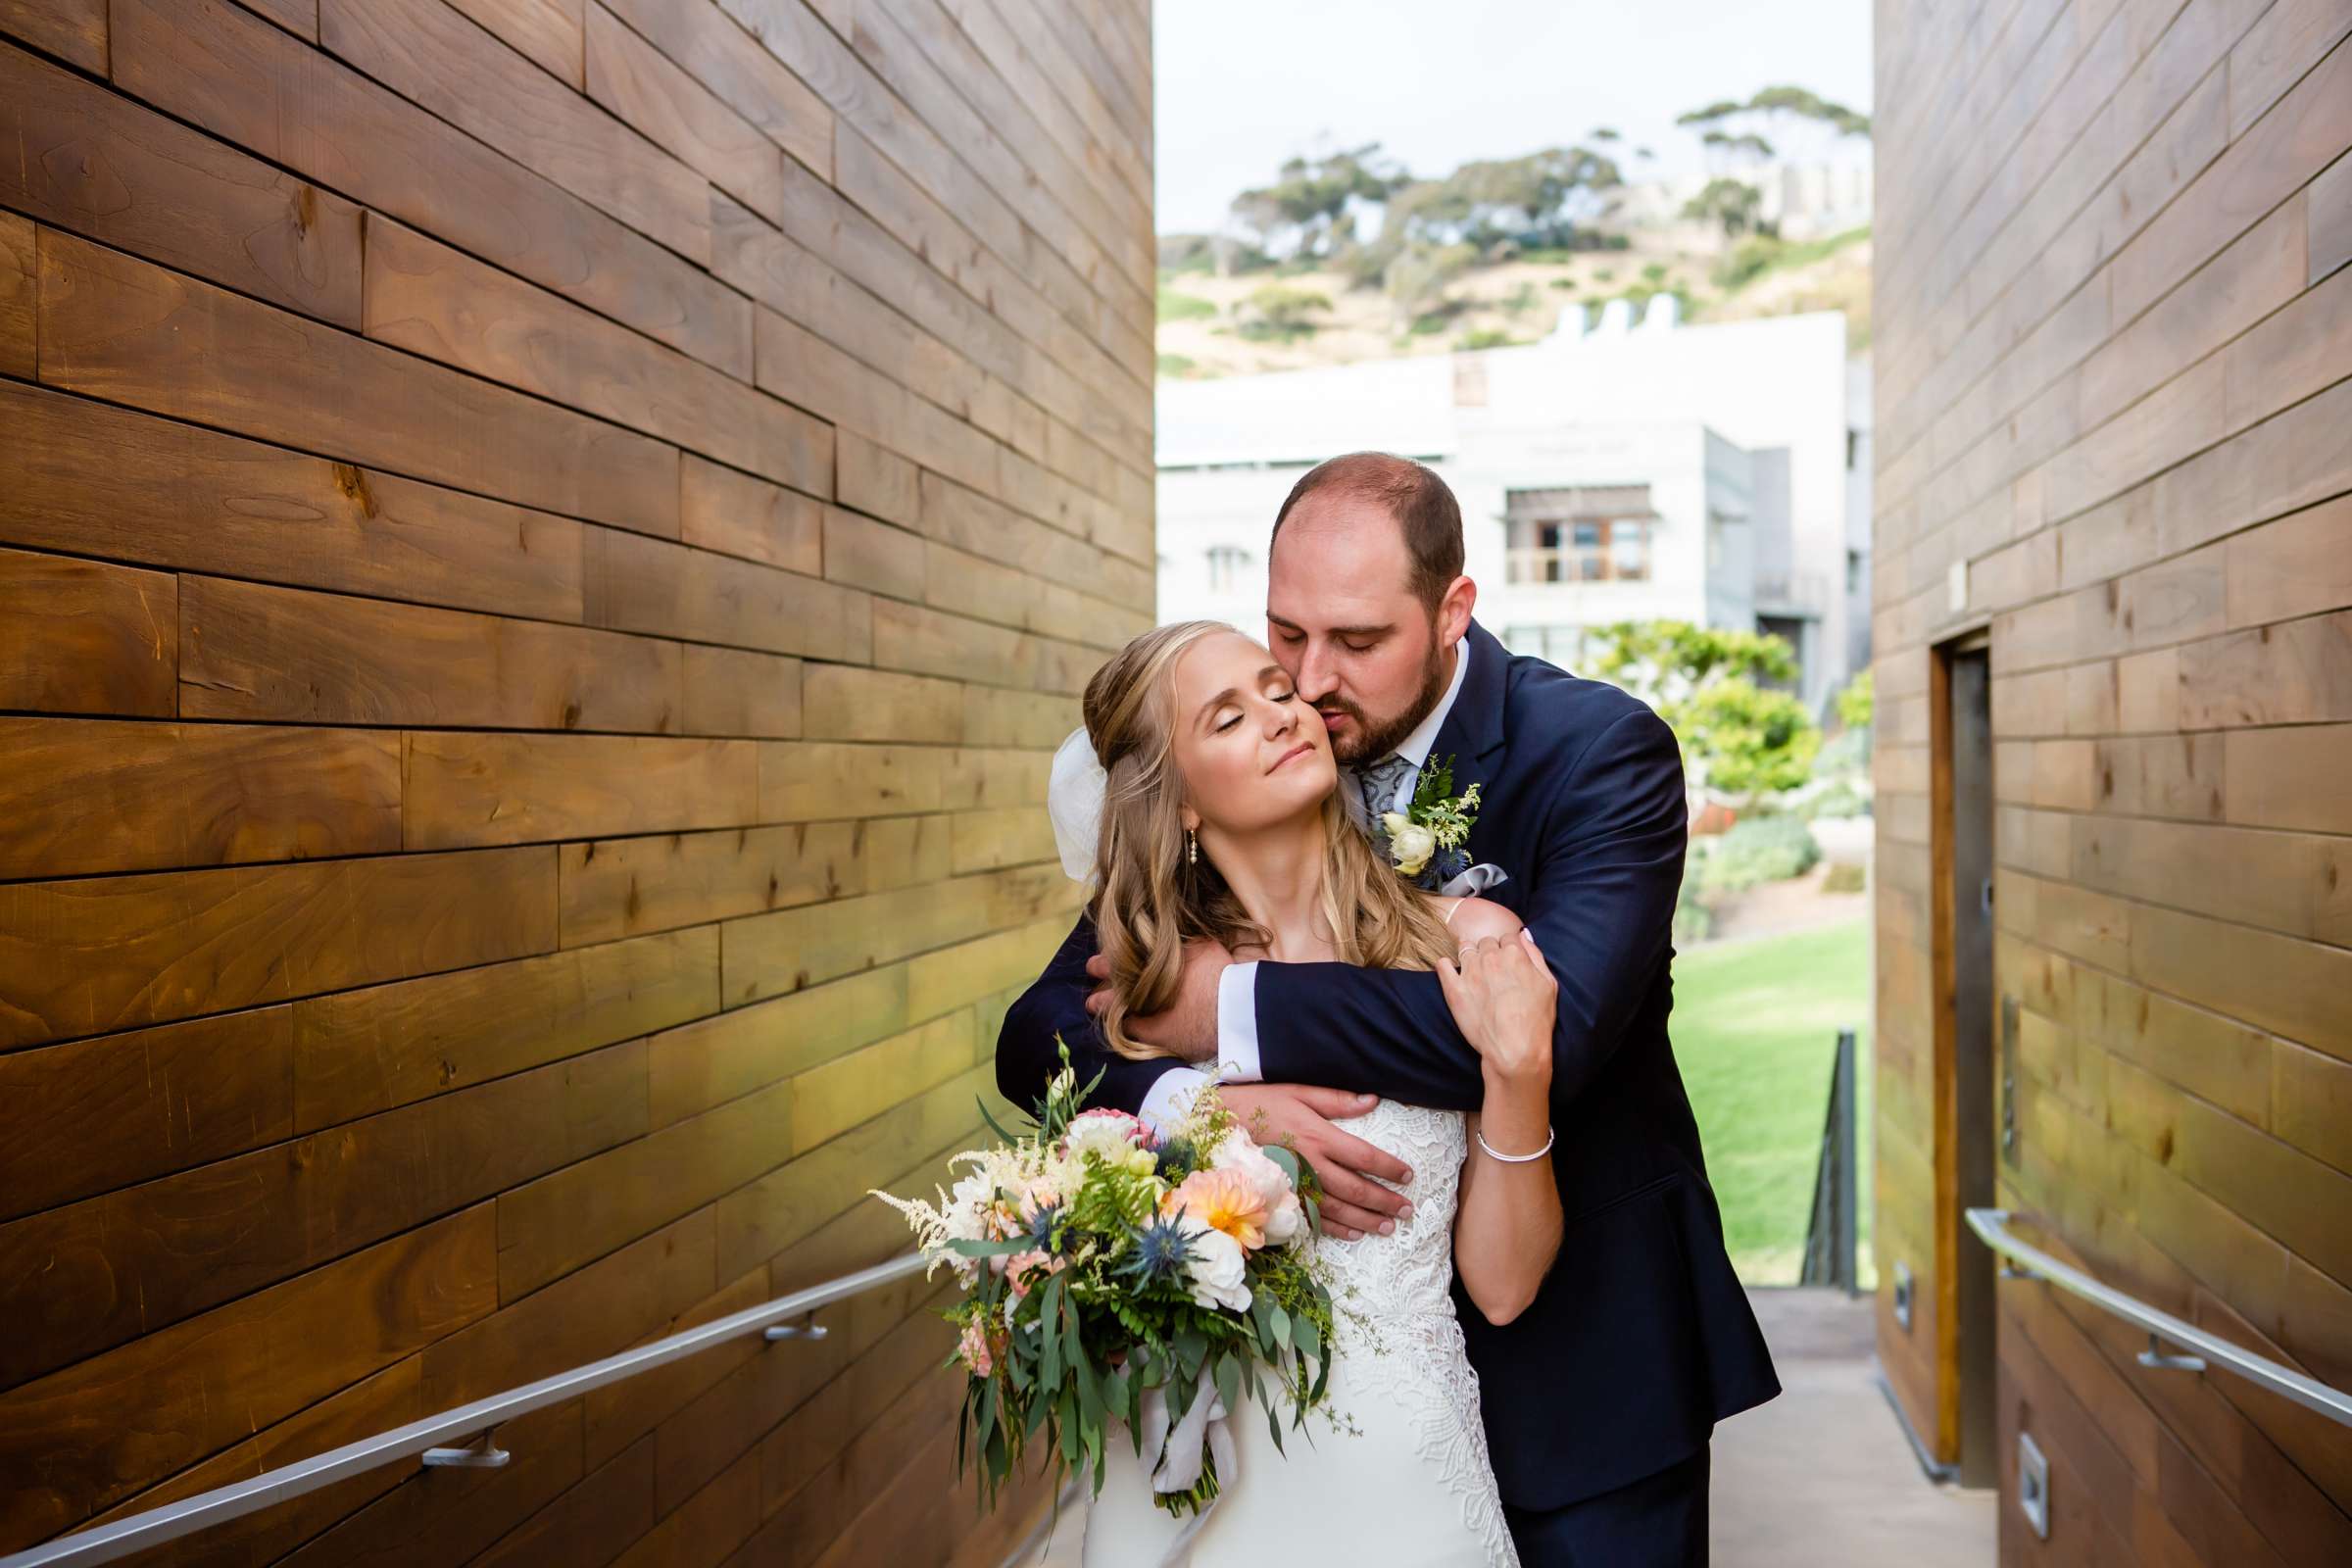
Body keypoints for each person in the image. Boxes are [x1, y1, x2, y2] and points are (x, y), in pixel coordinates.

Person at [1001, 453, 1779, 1566]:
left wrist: (1235, 1012)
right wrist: (1201, 1103)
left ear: (1453, 609)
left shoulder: (1597, 753)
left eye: (1357, 644)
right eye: (1284, 638)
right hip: (1280, 1424)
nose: (1309, 686)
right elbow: (1049, 1030)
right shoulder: (1208, 827)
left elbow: (1539, 1042)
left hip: (1579, 1384)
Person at [1073, 617, 1555, 1566]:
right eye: (1228, 717)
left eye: (1277, 690)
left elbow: (1502, 1287)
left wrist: (1522, 1073)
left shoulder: (1463, 941)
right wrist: (1203, 1115)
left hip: (1406, 1488)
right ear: (1176, 806)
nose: (1281, 716)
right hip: (1193, 1497)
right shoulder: (1141, 993)